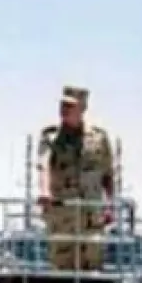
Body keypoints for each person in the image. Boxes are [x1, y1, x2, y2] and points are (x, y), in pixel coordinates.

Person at [36, 85, 115, 272]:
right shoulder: (51, 137)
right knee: (62, 268)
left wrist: (110, 205)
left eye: (70, 106)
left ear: (83, 108)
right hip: (63, 215)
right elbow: (43, 165)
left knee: (93, 267)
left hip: (91, 216)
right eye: (62, 104)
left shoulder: (99, 138)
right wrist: (45, 192)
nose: (64, 109)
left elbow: (107, 175)